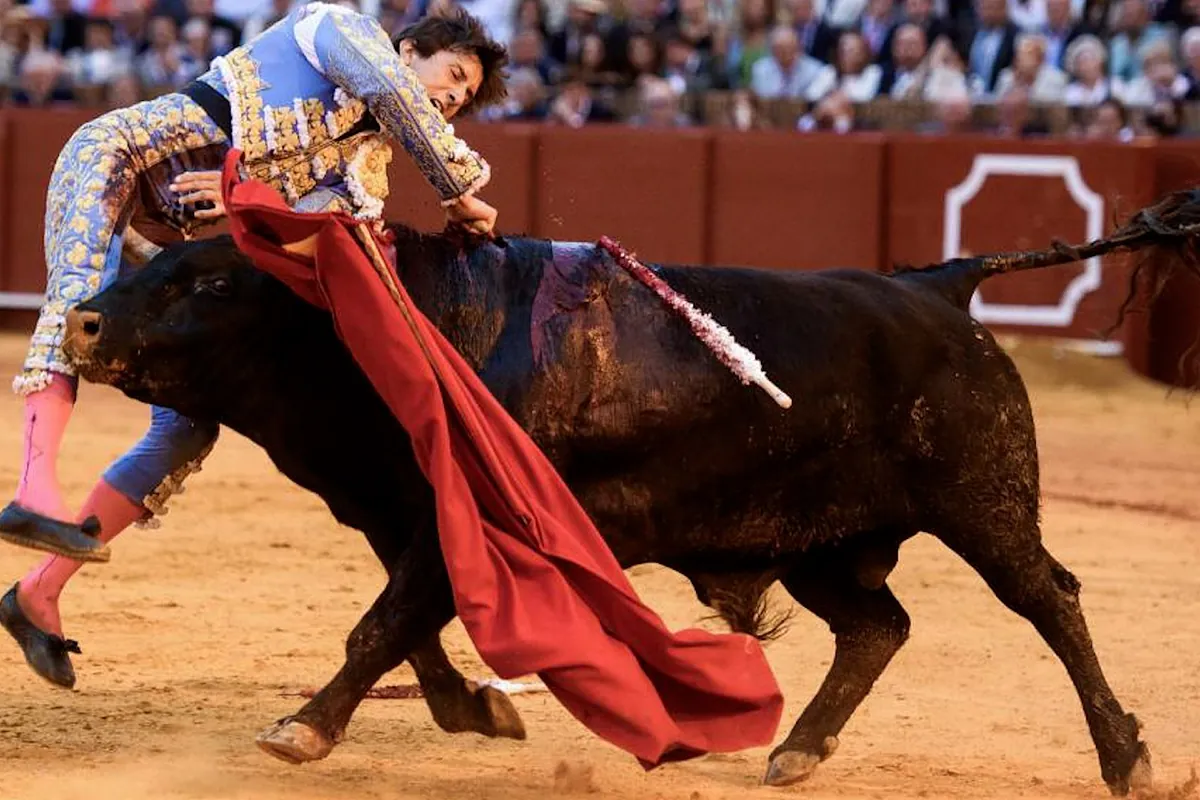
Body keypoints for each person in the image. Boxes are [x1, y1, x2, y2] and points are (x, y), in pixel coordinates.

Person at [0, 1, 508, 689]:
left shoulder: (366, 170)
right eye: (454, 76)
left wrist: (244, 191)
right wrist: (459, 189)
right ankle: (33, 491)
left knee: (186, 429)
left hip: (168, 244)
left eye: (465, 99)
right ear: (411, 49)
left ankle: (38, 593)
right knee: (76, 304)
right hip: (112, 161)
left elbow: (318, 232)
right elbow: (388, 90)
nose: (452, 98)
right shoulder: (338, 29)